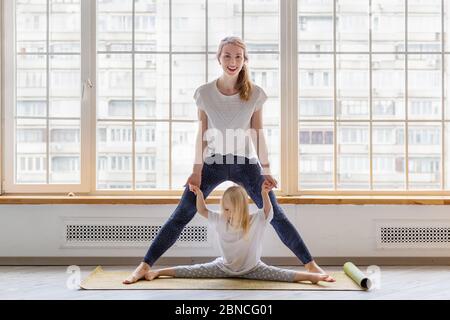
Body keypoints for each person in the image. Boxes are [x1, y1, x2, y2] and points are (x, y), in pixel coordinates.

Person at [124, 36, 334, 284]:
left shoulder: (255, 93)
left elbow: (258, 134)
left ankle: (311, 266)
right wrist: (196, 170)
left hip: (245, 164)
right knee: (182, 213)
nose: (233, 61)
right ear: (218, 57)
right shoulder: (204, 93)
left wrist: (266, 170)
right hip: (212, 164)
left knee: (276, 214)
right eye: (227, 56)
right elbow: (202, 134)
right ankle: (143, 265)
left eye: (238, 56)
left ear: (244, 60)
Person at [143, 183, 333, 284]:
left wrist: (265, 194)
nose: (228, 214)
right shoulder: (220, 219)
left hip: (253, 268)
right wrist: (199, 194)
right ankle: (158, 272)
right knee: (191, 271)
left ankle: (312, 276)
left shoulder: (255, 220)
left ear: (242, 208)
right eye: (225, 209)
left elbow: (268, 211)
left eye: (232, 210)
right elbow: (202, 210)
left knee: (282, 274)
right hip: (224, 268)